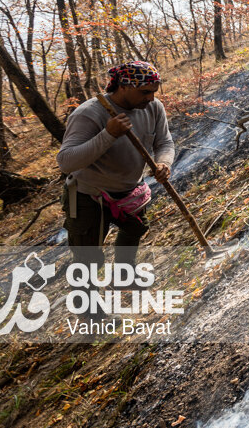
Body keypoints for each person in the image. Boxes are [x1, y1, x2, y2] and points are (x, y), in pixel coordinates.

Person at [57, 62, 175, 274]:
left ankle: (124, 276)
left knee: (135, 229)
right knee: (88, 259)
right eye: (145, 92)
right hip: (89, 196)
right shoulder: (88, 114)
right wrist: (108, 134)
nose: (150, 98)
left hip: (130, 191)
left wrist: (164, 163)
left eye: (153, 92)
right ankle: (88, 305)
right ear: (123, 86)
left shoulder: (153, 107)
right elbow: (66, 162)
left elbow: (164, 142)